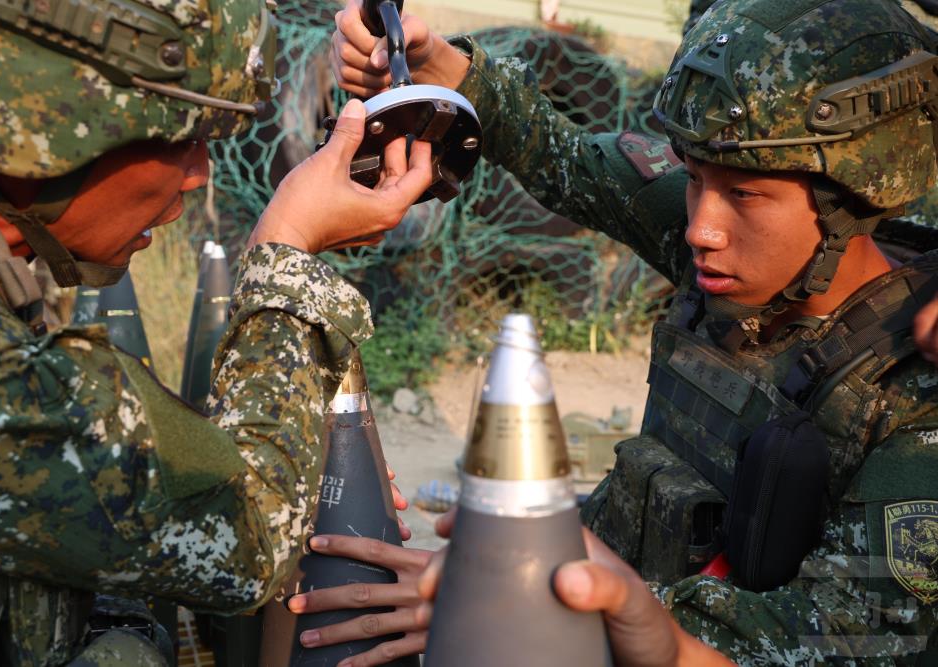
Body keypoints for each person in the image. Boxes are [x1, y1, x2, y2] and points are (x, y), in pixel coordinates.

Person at [313, 0, 938, 664]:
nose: (701, 228)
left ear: (856, 196)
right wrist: (439, 67)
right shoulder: (723, 254)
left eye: (746, 195)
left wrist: (540, 603)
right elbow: (566, 158)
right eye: (694, 179)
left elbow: (849, 637)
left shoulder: (912, 389)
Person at [0, 0, 435, 663]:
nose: (200, 172)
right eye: (181, 134)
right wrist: (286, 248)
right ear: (39, 121)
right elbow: (250, 536)